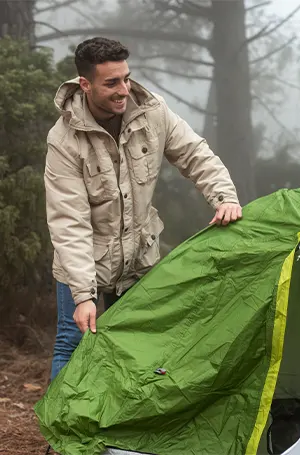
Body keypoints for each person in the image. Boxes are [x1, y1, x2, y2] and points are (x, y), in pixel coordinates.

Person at [45, 37, 242, 381]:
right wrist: (83, 296)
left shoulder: (152, 111)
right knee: (72, 345)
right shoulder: (63, 140)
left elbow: (195, 154)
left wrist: (224, 197)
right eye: (112, 83)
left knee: (136, 349)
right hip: (84, 264)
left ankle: (124, 432)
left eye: (126, 77)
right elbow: (69, 222)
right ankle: (64, 436)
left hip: (139, 259)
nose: (124, 89)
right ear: (85, 84)